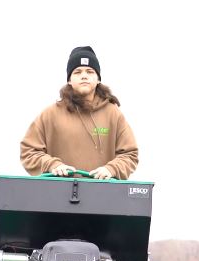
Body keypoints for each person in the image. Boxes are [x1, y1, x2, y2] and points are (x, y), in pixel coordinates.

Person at [20, 46, 138, 180]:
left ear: (98, 79)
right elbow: (28, 151)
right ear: (69, 80)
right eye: (77, 72)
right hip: (57, 195)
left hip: (103, 196)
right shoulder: (50, 114)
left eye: (90, 71)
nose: (84, 76)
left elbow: (130, 154)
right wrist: (52, 165)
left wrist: (111, 169)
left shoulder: (113, 113)